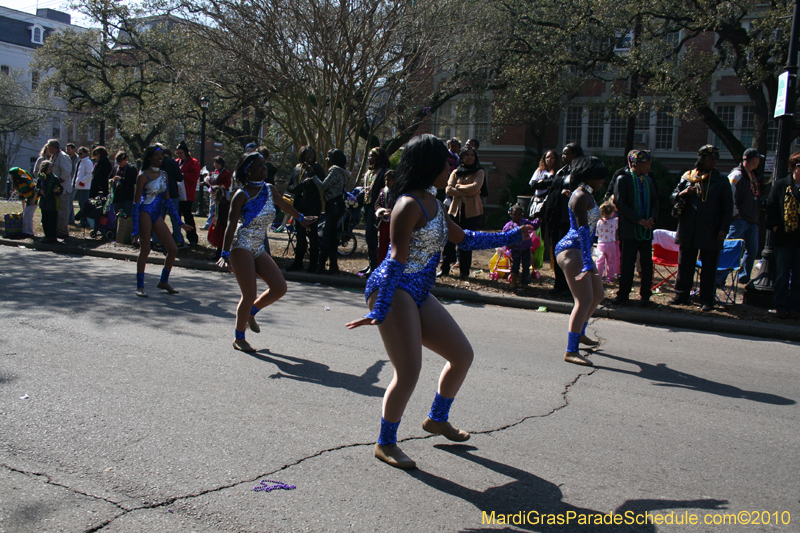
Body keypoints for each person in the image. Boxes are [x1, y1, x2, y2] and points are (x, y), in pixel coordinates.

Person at [345, 134, 533, 470]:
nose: (453, 166)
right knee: (409, 372)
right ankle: (385, 442)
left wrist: (513, 235)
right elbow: (396, 260)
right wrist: (380, 306)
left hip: (418, 288)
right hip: (394, 286)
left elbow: (466, 238)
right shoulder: (406, 206)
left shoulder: (433, 202)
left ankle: (437, 419)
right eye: (447, 162)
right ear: (430, 166)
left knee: (461, 355)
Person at [216, 152, 316, 352]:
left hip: (258, 245)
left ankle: (251, 313)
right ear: (248, 170)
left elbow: (284, 205)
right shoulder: (241, 195)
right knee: (249, 293)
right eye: (260, 166)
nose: (265, 169)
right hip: (240, 245)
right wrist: (224, 254)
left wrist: (301, 218)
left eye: (265, 165)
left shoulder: (269, 189)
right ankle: (239, 337)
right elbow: (231, 225)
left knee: (279, 287)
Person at [555, 156, 609, 367]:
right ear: (589, 176)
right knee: (584, 299)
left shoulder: (585, 195)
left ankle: (581, 333)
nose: (602, 181)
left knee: (598, 295)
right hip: (572, 251)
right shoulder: (580, 196)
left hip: (581, 250)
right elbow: (583, 230)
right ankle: (571, 350)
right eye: (600, 178)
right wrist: (587, 262)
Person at [669, 145, 734, 312]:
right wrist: (682, 193)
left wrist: (723, 229)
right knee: (685, 265)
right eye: (710, 158)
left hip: (711, 230)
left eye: (716, 158)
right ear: (702, 159)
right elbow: (673, 196)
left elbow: (728, 208)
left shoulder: (721, 180)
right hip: (689, 228)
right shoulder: (688, 177)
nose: (714, 161)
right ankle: (681, 295)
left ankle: (707, 300)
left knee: (709, 268)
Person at [131, 145, 194, 297]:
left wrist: (180, 223)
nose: (160, 157)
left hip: (156, 214)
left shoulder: (164, 174)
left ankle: (163, 281)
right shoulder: (143, 176)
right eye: (157, 154)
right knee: (145, 249)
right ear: (150, 157)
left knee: (173, 249)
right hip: (145, 212)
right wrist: (135, 229)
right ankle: (140, 286)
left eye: (162, 155)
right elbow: (136, 203)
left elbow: (168, 202)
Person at [610, 150, 659, 306]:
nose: (648, 167)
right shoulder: (623, 179)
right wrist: (639, 220)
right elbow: (620, 203)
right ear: (635, 164)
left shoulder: (648, 181)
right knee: (627, 263)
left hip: (646, 230)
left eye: (650, 164)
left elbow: (655, 201)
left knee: (646, 264)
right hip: (629, 228)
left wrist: (651, 218)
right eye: (646, 164)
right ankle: (623, 294)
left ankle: (645, 295)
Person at [543, 143, 584, 295]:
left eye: (566, 153)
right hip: (555, 218)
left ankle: (570, 286)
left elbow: (588, 191)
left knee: (569, 253)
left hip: (569, 219)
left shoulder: (580, 171)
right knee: (557, 252)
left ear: (575, 155)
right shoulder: (562, 170)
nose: (563, 156)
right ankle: (559, 283)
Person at [721, 148, 765, 285]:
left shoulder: (752, 176)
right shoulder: (736, 175)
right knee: (730, 248)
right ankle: (719, 277)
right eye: (758, 159)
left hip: (751, 220)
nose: (759, 162)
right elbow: (729, 196)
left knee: (752, 250)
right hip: (739, 220)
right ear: (753, 159)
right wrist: (736, 215)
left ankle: (744, 277)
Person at [439, 146, 485, 279]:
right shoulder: (456, 171)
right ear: (463, 157)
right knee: (449, 239)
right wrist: (466, 191)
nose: (470, 157)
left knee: (467, 240)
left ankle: (464, 271)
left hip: (472, 211)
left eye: (472, 155)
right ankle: (445, 268)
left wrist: (458, 187)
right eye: (467, 155)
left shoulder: (479, 171)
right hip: (455, 210)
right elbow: (448, 189)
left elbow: (475, 187)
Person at [764, 152, 800, 318]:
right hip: (784, 239)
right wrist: (776, 226)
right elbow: (770, 207)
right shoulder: (780, 185)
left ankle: (795, 309)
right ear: (793, 167)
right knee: (782, 275)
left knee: (798, 276)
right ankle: (780, 307)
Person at [285, 146, 325, 272]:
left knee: (312, 234)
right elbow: (290, 187)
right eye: (307, 154)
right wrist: (300, 185)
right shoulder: (297, 168)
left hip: (312, 205)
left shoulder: (317, 168)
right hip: (299, 205)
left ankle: (313, 264)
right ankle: (298, 262)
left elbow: (323, 184)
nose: (310, 156)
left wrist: (313, 175)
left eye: (312, 154)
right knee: (300, 235)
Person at [312, 149, 349, 274]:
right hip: (335, 205)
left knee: (327, 236)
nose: (326, 159)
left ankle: (321, 265)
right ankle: (333, 265)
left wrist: (313, 176)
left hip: (333, 205)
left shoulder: (335, 170)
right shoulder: (341, 171)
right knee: (331, 237)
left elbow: (323, 186)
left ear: (334, 159)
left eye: (329, 157)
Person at [360, 147, 391, 276]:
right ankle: (371, 264)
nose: (369, 158)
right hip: (367, 207)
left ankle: (375, 266)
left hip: (378, 209)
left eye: (372, 155)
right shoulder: (369, 172)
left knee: (371, 236)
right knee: (369, 237)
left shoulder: (384, 172)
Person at [503, 205, 540, 288]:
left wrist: (538, 220)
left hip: (526, 248)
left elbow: (534, 226)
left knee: (526, 265)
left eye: (519, 214)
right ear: (511, 214)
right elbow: (505, 237)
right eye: (515, 214)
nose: (517, 216)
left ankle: (525, 283)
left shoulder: (525, 222)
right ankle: (514, 282)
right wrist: (509, 245)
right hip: (515, 249)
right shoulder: (508, 225)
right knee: (515, 266)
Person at [174, 141, 200, 245]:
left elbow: (194, 177)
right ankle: (177, 236)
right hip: (177, 194)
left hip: (187, 194)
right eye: (178, 153)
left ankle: (192, 237)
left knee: (187, 216)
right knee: (176, 216)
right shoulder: (176, 162)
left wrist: (182, 175)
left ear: (186, 152)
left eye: (181, 153)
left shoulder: (193, 162)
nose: (179, 155)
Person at [46, 139, 73, 239]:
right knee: (57, 211)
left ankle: (63, 231)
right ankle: (57, 230)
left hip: (63, 190)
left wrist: (56, 183)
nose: (47, 149)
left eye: (49, 147)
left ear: (52, 147)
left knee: (62, 211)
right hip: (56, 190)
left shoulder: (63, 157)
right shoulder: (54, 157)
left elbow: (66, 172)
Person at [201, 156, 232, 230]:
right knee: (212, 208)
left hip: (222, 193)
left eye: (216, 163)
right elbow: (212, 181)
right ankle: (209, 224)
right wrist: (207, 180)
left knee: (221, 209)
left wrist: (220, 187)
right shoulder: (215, 171)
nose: (214, 165)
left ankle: (220, 225)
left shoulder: (225, 172)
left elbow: (228, 184)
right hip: (213, 192)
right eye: (214, 163)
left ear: (220, 163)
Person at [35, 161, 63, 244]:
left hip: (52, 201)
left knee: (52, 219)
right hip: (44, 201)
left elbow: (60, 189)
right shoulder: (41, 178)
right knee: (45, 220)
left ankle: (52, 236)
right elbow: (36, 189)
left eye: (51, 166)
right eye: (49, 166)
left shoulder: (55, 178)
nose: (51, 168)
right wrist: (40, 192)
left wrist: (57, 191)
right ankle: (47, 236)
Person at [529, 150, 558, 220]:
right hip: (538, 200)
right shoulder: (539, 171)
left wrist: (542, 182)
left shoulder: (557, 172)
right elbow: (533, 185)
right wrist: (547, 185)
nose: (549, 159)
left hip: (549, 202)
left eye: (552, 158)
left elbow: (555, 183)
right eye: (547, 157)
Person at [595, 202, 619, 283]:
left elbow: (597, 233)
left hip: (601, 244)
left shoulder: (599, 222)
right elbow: (616, 228)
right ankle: (610, 277)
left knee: (599, 261)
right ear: (612, 212)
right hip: (611, 244)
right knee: (610, 261)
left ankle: (598, 276)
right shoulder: (614, 221)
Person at [9, 167, 37, 238]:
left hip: (34, 199)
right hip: (29, 201)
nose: (10, 176)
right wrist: (23, 209)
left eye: (11, 175)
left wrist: (33, 200)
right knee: (25, 214)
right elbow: (22, 198)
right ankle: (24, 231)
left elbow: (36, 190)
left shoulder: (26, 181)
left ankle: (30, 233)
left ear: (15, 176)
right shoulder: (18, 184)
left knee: (28, 215)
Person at [110, 151, 138, 217]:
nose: (119, 164)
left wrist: (121, 179)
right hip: (117, 197)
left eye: (121, 162)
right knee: (117, 216)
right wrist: (111, 180)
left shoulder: (131, 169)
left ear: (126, 160)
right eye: (118, 162)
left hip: (127, 197)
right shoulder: (115, 169)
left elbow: (133, 181)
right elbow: (109, 177)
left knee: (128, 215)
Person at [375, 170, 395, 262]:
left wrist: (393, 212)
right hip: (384, 223)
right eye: (386, 179)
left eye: (389, 180)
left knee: (393, 247)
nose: (387, 182)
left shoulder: (399, 192)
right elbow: (377, 204)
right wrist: (382, 211)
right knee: (383, 246)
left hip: (395, 224)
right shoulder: (383, 191)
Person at [207, 186, 230, 261]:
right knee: (220, 240)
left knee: (221, 239)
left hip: (221, 224)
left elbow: (224, 216)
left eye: (211, 194)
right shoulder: (219, 202)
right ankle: (218, 253)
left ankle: (220, 254)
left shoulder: (222, 203)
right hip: (218, 223)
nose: (211, 195)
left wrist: (225, 226)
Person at [73, 147, 93, 227]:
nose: (79, 155)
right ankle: (82, 220)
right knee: (81, 205)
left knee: (84, 205)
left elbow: (89, 175)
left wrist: (81, 181)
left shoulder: (88, 162)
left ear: (85, 153)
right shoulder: (80, 162)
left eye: (81, 153)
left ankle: (86, 221)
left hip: (85, 187)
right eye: (78, 153)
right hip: (80, 187)